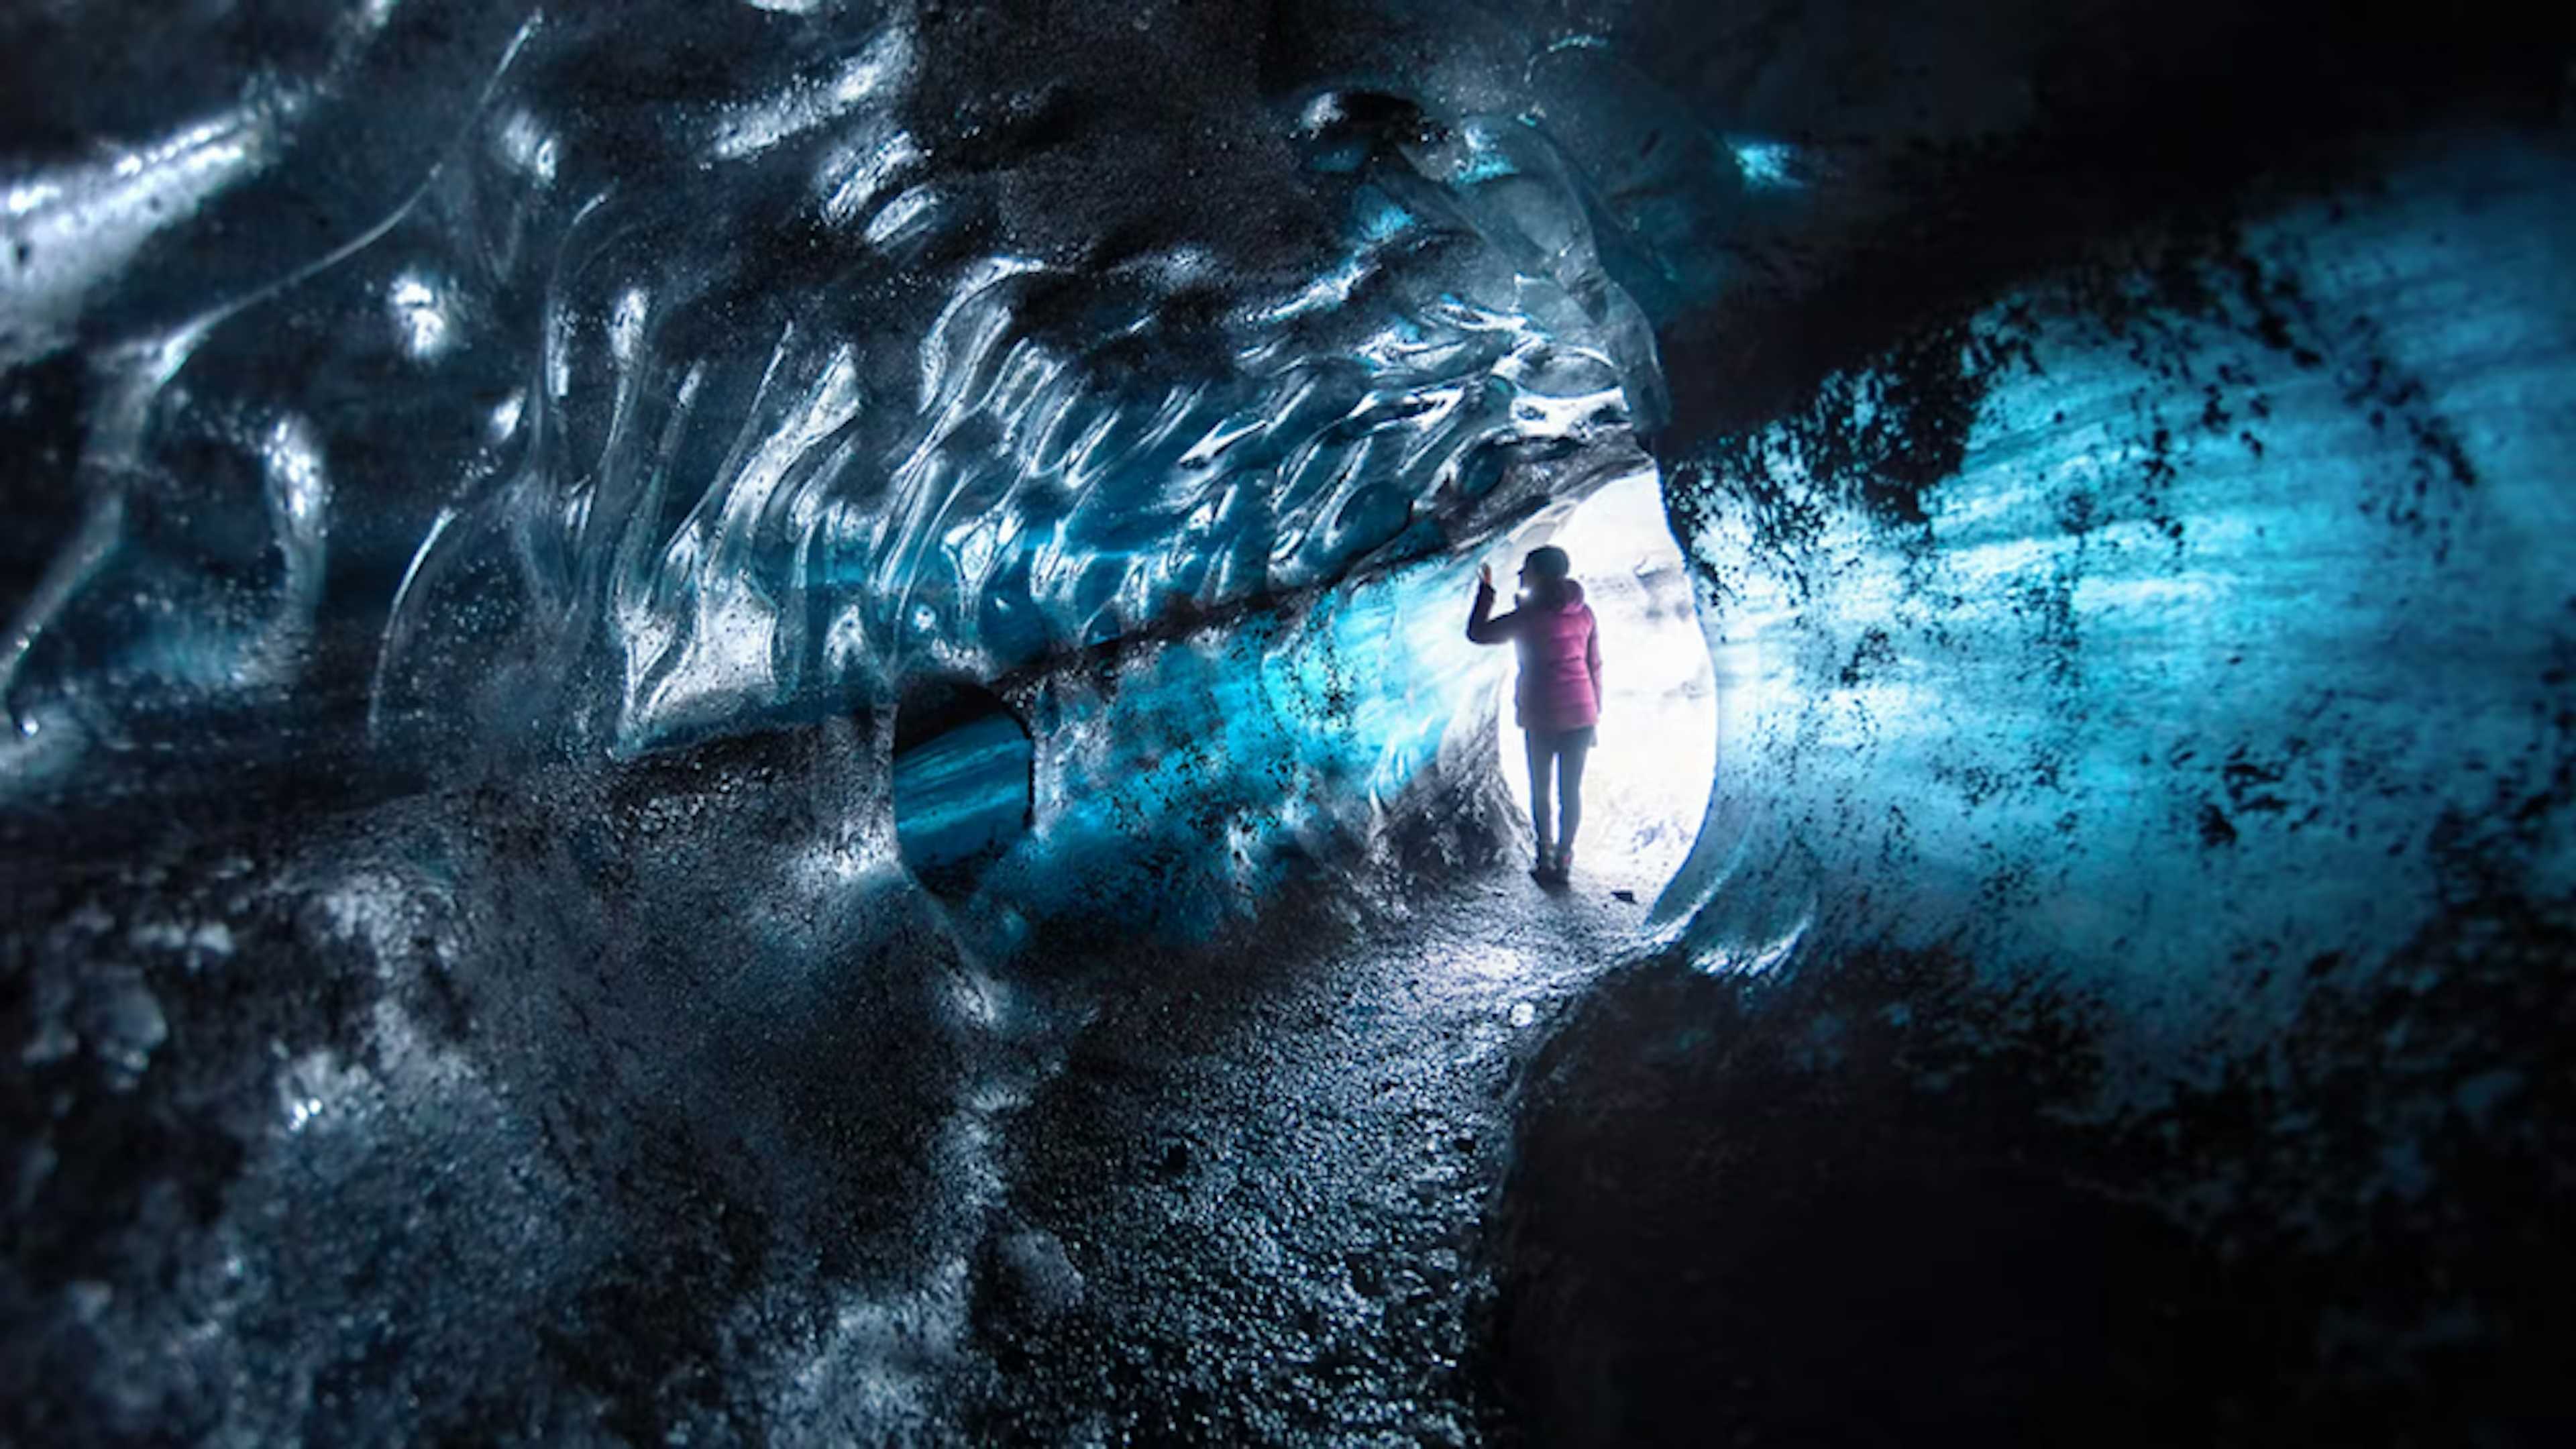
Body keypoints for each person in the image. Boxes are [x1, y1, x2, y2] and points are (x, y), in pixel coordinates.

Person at [1467, 545, 1601, 883]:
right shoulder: (1585, 613)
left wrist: (1486, 591)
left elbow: (1478, 633)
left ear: (1539, 575)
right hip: (1582, 713)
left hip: (1543, 713)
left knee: (1541, 788)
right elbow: (1595, 665)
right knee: (1570, 790)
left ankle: (1545, 859)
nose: (1521, 574)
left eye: (1526, 569)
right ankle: (1565, 860)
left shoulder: (1528, 617)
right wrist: (1594, 715)